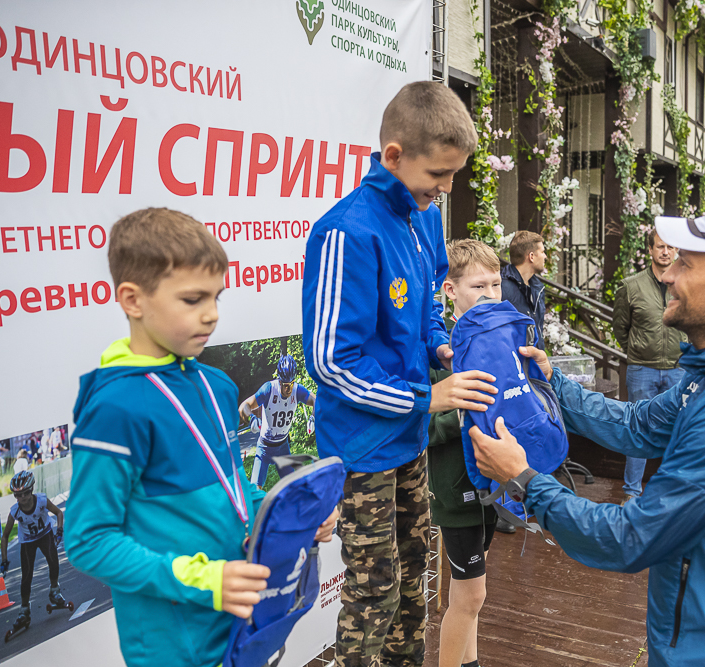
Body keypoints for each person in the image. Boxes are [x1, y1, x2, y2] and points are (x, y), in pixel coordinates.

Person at [470, 207, 705, 666]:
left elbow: (629, 538)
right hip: (691, 639)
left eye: (686, 264)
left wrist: (526, 480)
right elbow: (636, 424)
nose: (669, 275)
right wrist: (552, 383)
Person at [65, 208, 337, 667]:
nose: (211, 315)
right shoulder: (114, 407)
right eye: (193, 300)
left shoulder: (217, 385)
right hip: (175, 645)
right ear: (132, 300)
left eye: (216, 297)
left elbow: (233, 489)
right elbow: (89, 540)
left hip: (240, 622)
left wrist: (288, 520)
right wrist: (204, 579)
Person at [302, 81, 496, 667]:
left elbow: (428, 313)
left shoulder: (423, 216)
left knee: (415, 584)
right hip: (362, 448)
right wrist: (427, 396)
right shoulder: (347, 230)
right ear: (393, 156)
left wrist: (442, 348)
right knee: (374, 593)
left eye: (455, 174)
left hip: (408, 441)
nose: (446, 188)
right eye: (438, 173)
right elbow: (332, 362)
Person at [429, 240, 502, 667]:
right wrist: (456, 409)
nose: (491, 295)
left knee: (472, 597)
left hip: (494, 485)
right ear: (450, 290)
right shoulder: (437, 348)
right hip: (456, 492)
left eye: (496, 284)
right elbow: (418, 423)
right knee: (470, 596)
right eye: (479, 286)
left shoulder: (500, 337)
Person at [612, 231, 686, 504]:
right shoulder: (631, 286)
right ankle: (632, 492)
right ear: (651, 250)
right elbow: (620, 327)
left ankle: (671, 492)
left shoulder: (686, 284)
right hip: (642, 369)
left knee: (677, 431)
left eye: (669, 246)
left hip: (678, 369)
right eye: (659, 247)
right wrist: (638, 349)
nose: (665, 252)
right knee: (638, 429)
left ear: (676, 250)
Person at [0, 470, 66, 627]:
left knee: (53, 561)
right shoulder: (14, 511)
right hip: (27, 541)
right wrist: (4, 560)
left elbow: (58, 513)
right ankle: (24, 609)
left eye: (26, 493)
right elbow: (5, 536)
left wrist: (59, 531)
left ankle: (54, 591)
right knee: (27, 575)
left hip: (45, 535)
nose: (22, 498)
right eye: (18, 495)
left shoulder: (42, 500)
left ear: (32, 490)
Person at [239, 355, 315, 489]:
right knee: (255, 492)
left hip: (283, 447)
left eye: (291, 383)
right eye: (285, 384)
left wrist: (313, 418)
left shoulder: (297, 390)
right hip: (264, 448)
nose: (289, 389)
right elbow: (244, 406)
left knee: (294, 489)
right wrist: (252, 418)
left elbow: (316, 400)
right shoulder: (269, 389)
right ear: (279, 381)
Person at [501, 230, 547, 336]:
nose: (545, 256)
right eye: (542, 252)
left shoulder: (537, 288)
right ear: (531, 256)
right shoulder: (501, 287)